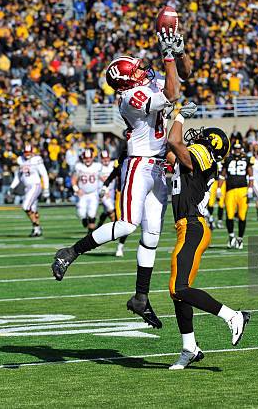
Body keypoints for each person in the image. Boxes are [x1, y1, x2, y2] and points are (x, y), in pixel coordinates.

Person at [51, 27, 192, 329]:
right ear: (128, 80)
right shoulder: (131, 96)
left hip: (158, 167)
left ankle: (140, 297)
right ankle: (70, 252)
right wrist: (167, 55)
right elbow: (172, 93)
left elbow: (185, 75)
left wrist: (179, 52)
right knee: (128, 223)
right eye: (138, 69)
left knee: (152, 235)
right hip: (139, 164)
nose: (144, 70)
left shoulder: (142, 84)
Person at [166, 104, 250, 369]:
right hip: (187, 226)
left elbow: (173, 141)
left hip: (193, 225)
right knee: (179, 293)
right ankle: (189, 348)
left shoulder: (204, 154)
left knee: (178, 288)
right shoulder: (196, 155)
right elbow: (170, 152)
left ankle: (233, 315)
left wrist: (178, 117)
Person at [8, 144, 50, 237]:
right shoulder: (20, 160)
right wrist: (12, 187)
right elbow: (18, 176)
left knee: (26, 206)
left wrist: (46, 188)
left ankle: (37, 226)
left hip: (35, 185)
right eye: (26, 152)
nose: (27, 154)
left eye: (29, 152)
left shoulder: (36, 160)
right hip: (27, 187)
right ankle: (36, 230)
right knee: (33, 209)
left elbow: (44, 174)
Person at [220, 142, 254, 249]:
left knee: (242, 216)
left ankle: (240, 239)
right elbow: (222, 175)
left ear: (242, 149)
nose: (237, 150)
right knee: (229, 215)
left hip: (243, 190)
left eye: (239, 149)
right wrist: (218, 188)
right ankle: (231, 237)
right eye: (235, 148)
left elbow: (251, 175)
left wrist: (250, 188)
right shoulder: (228, 159)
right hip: (230, 191)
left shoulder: (247, 159)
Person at [72, 148, 102, 233]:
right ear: (83, 158)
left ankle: (90, 234)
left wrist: (105, 190)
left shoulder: (97, 166)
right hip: (83, 193)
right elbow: (73, 179)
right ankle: (84, 220)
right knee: (81, 214)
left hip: (93, 193)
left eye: (89, 158)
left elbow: (102, 179)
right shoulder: (79, 166)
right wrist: (77, 189)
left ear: (92, 158)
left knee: (91, 214)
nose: (87, 160)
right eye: (86, 158)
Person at [206, 160, 226, 230]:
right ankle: (210, 220)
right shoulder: (211, 157)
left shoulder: (224, 159)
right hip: (213, 181)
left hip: (222, 182)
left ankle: (220, 221)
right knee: (210, 203)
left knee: (221, 203)